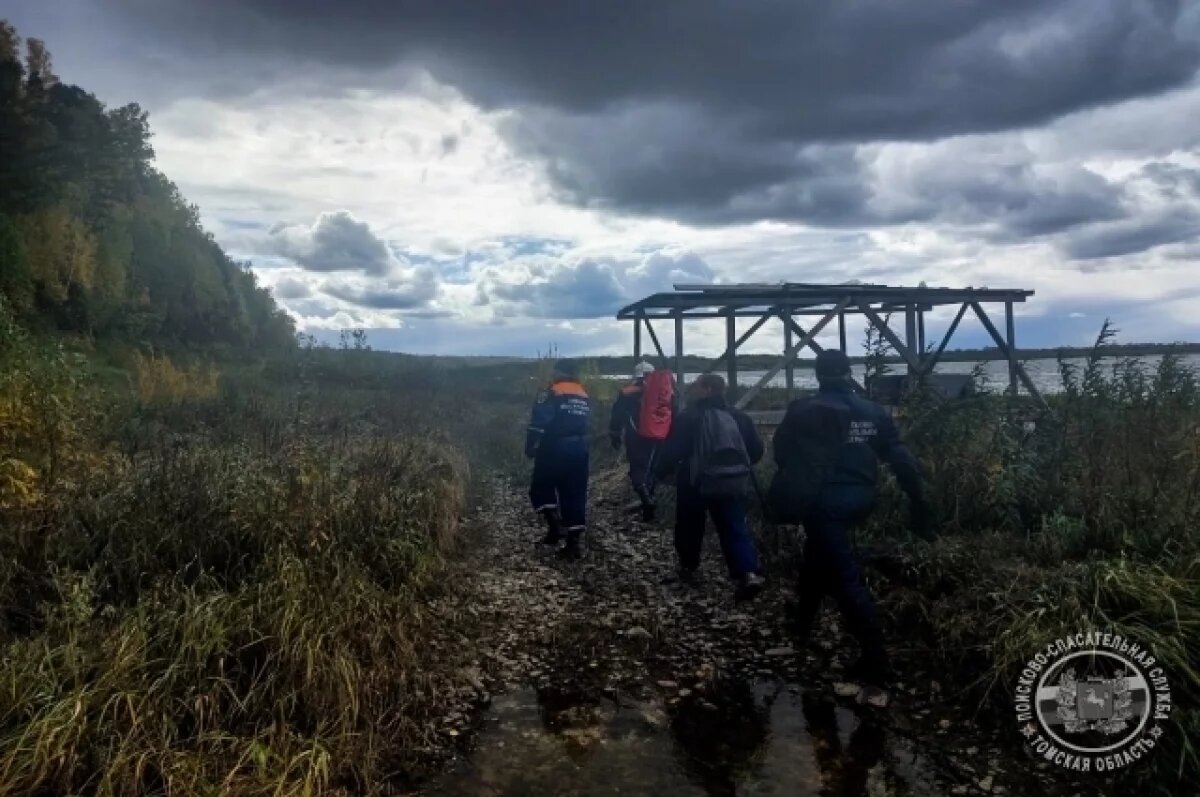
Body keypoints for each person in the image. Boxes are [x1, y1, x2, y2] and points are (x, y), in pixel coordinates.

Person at [770, 349, 929, 705]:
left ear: (818, 374)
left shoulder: (803, 410)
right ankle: (801, 630)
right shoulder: (873, 411)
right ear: (849, 372)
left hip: (821, 502)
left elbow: (781, 454)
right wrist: (919, 501)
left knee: (845, 580)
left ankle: (876, 664)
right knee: (816, 559)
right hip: (861, 500)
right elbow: (899, 457)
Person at [656, 374, 766, 599]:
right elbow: (755, 450)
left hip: (694, 481)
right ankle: (747, 574)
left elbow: (672, 451)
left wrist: (660, 473)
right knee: (734, 526)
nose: (692, 389)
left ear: (707, 389)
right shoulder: (739, 417)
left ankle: (688, 568)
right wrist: (735, 470)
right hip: (731, 482)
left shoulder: (688, 417)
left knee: (689, 526)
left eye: (697, 386)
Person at [526, 359, 592, 558]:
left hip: (554, 447)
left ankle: (555, 526)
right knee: (575, 493)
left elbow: (539, 422)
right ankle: (573, 543)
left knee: (540, 486)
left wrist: (531, 445)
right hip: (580, 448)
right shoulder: (584, 394)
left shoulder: (552, 391)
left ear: (558, 372)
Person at [609, 361, 667, 521]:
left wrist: (615, 435)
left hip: (636, 436)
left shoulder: (627, 393)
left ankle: (646, 500)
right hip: (660, 436)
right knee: (652, 469)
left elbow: (617, 416)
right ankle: (649, 511)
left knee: (638, 468)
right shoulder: (663, 392)